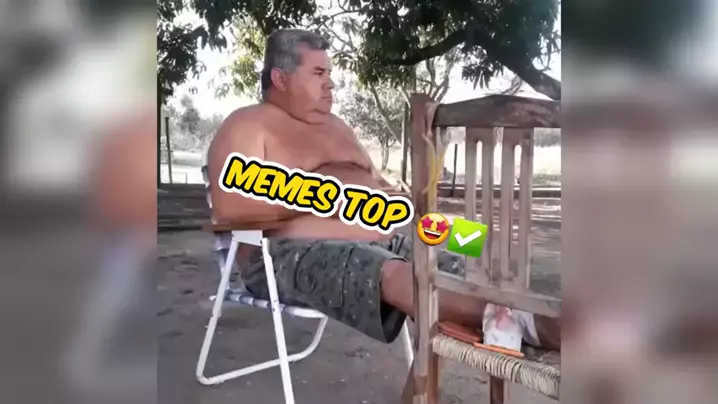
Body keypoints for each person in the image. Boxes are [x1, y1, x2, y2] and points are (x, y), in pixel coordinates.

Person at [207, 29, 560, 350]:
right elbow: (233, 212)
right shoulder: (248, 125)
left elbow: (377, 187)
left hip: (378, 232)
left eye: (329, 73)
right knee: (392, 270)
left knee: (476, 243)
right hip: (283, 256)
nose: (330, 84)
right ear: (280, 79)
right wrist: (330, 203)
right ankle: (528, 323)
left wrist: (392, 201)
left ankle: (528, 305)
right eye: (318, 73)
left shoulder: (336, 127)